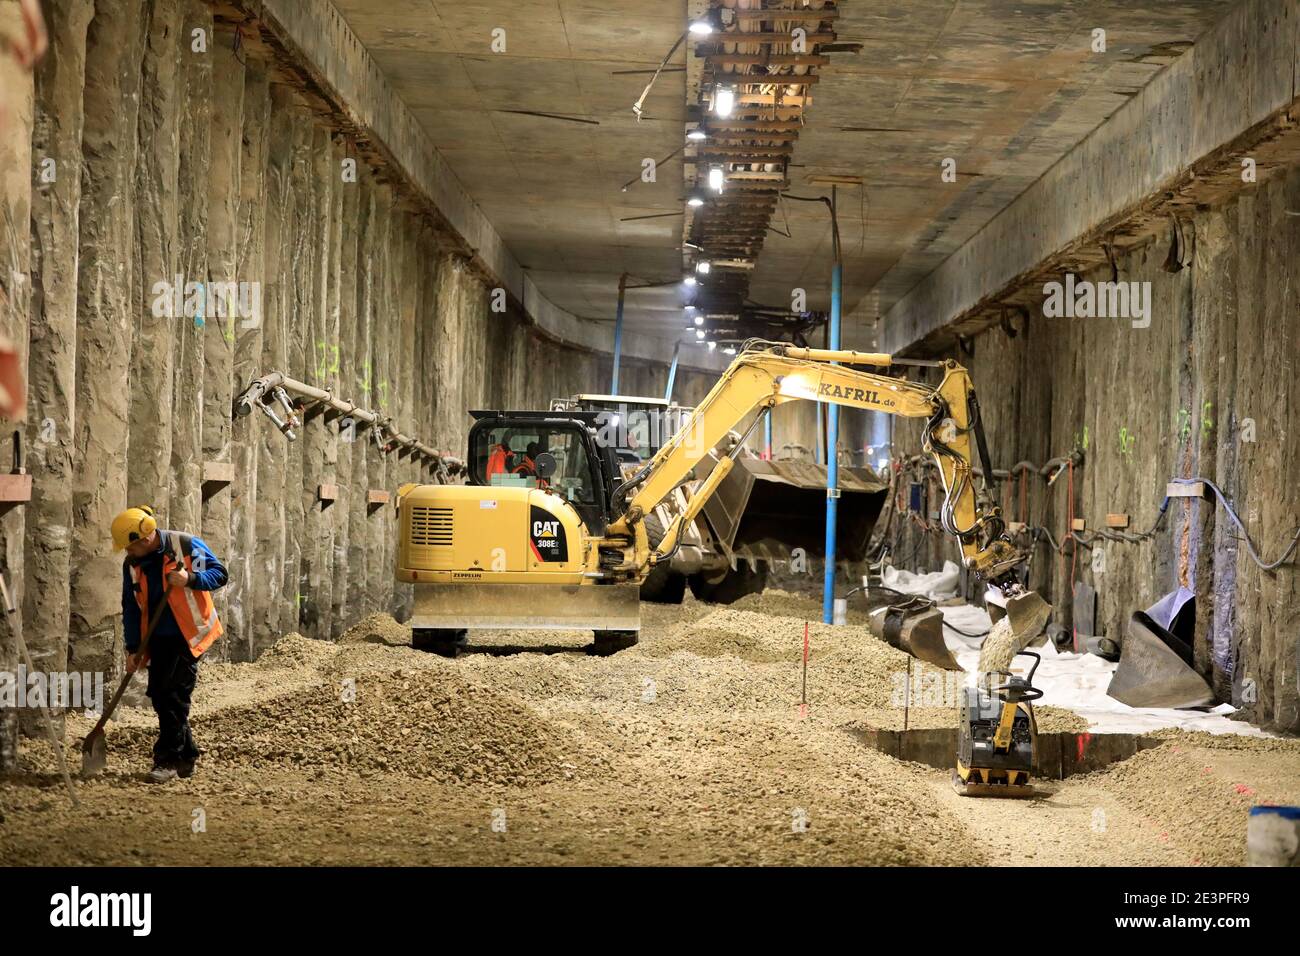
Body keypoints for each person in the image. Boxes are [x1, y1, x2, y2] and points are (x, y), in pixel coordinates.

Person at [113, 506, 228, 783]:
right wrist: (132, 648)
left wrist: (190, 578)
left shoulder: (184, 547)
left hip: (189, 635)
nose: (127, 552)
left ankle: (167, 760)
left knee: (172, 696)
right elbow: (130, 607)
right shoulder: (132, 566)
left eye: (130, 546)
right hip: (157, 639)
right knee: (163, 696)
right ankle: (187, 755)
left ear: (144, 539)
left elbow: (219, 574)